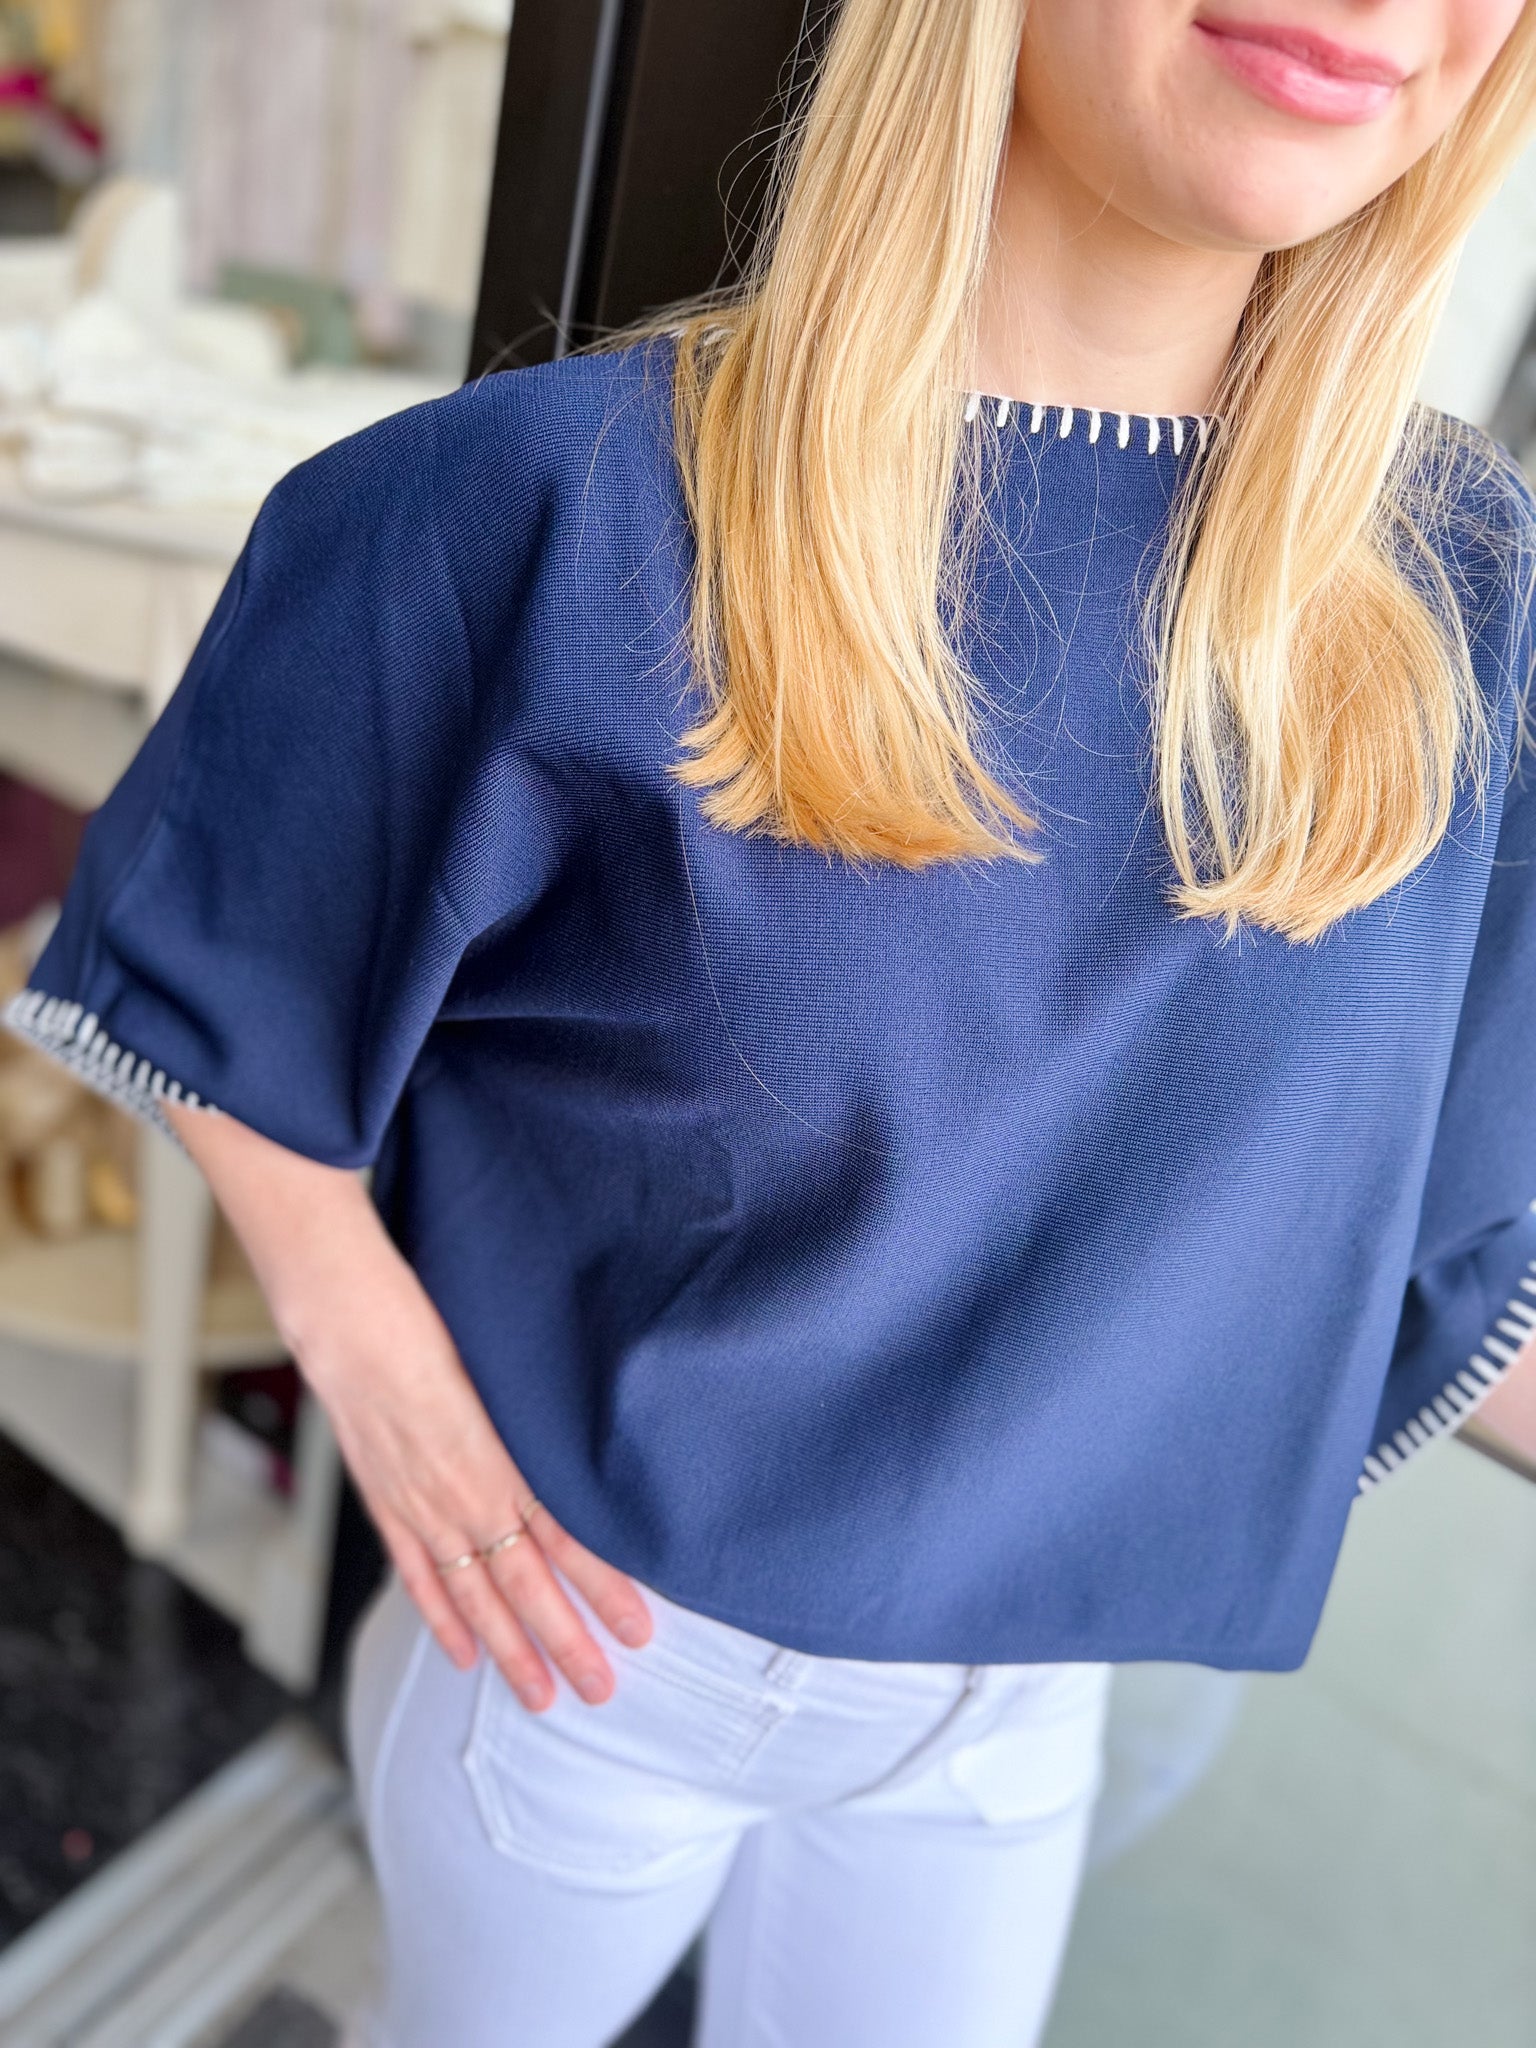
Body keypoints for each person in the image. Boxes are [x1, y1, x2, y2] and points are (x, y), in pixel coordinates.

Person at [9, 2, 1536, 2042]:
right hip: (584, 1658)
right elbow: (227, 935)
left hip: (1019, 1708)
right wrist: (364, 1341)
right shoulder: (542, 511)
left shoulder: (1468, 612)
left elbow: (1449, 1204)